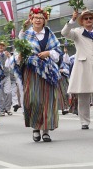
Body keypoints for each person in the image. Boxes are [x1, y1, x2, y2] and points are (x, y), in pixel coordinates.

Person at [15, 7, 63, 142]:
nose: (38, 20)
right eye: (36, 18)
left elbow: (57, 51)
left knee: (47, 100)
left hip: (47, 71)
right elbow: (19, 50)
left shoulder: (49, 34)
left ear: (44, 21)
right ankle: (35, 128)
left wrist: (48, 53)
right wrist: (19, 58)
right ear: (31, 20)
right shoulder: (25, 34)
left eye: (41, 18)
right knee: (34, 100)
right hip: (32, 71)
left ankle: (46, 130)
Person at [61, 9, 93, 130]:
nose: (89, 20)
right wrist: (72, 20)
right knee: (83, 95)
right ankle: (84, 122)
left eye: (90, 18)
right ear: (82, 22)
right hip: (83, 67)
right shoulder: (77, 32)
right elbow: (64, 33)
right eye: (86, 18)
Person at [0, 39, 13, 116]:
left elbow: (12, 63)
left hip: (7, 75)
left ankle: (8, 109)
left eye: (2, 46)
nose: (1, 47)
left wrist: (9, 57)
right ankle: (1, 109)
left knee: (8, 92)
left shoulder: (7, 54)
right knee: (0, 94)